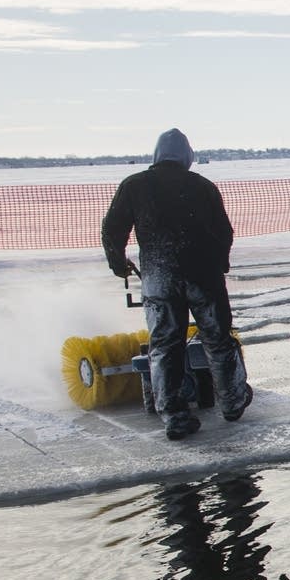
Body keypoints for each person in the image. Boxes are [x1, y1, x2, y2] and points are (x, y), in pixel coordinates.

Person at [102, 128, 252, 440]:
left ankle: (175, 416)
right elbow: (224, 231)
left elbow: (112, 228)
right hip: (203, 278)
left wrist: (119, 263)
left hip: (159, 280)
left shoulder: (134, 186)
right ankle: (232, 401)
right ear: (186, 156)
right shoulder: (202, 186)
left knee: (164, 346)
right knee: (217, 339)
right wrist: (219, 264)